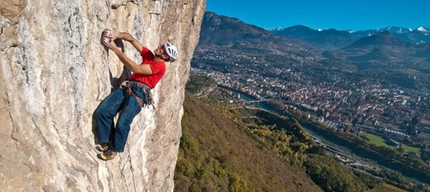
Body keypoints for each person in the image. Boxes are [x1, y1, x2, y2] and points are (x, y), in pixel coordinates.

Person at [95, 28, 178, 161]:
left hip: (139, 94)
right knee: (103, 111)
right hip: (129, 87)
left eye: (162, 48)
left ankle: (115, 150)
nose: (158, 47)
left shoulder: (160, 67)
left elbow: (136, 68)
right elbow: (132, 39)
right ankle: (107, 141)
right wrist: (118, 35)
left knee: (123, 122)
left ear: (166, 56)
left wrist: (115, 49)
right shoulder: (149, 56)